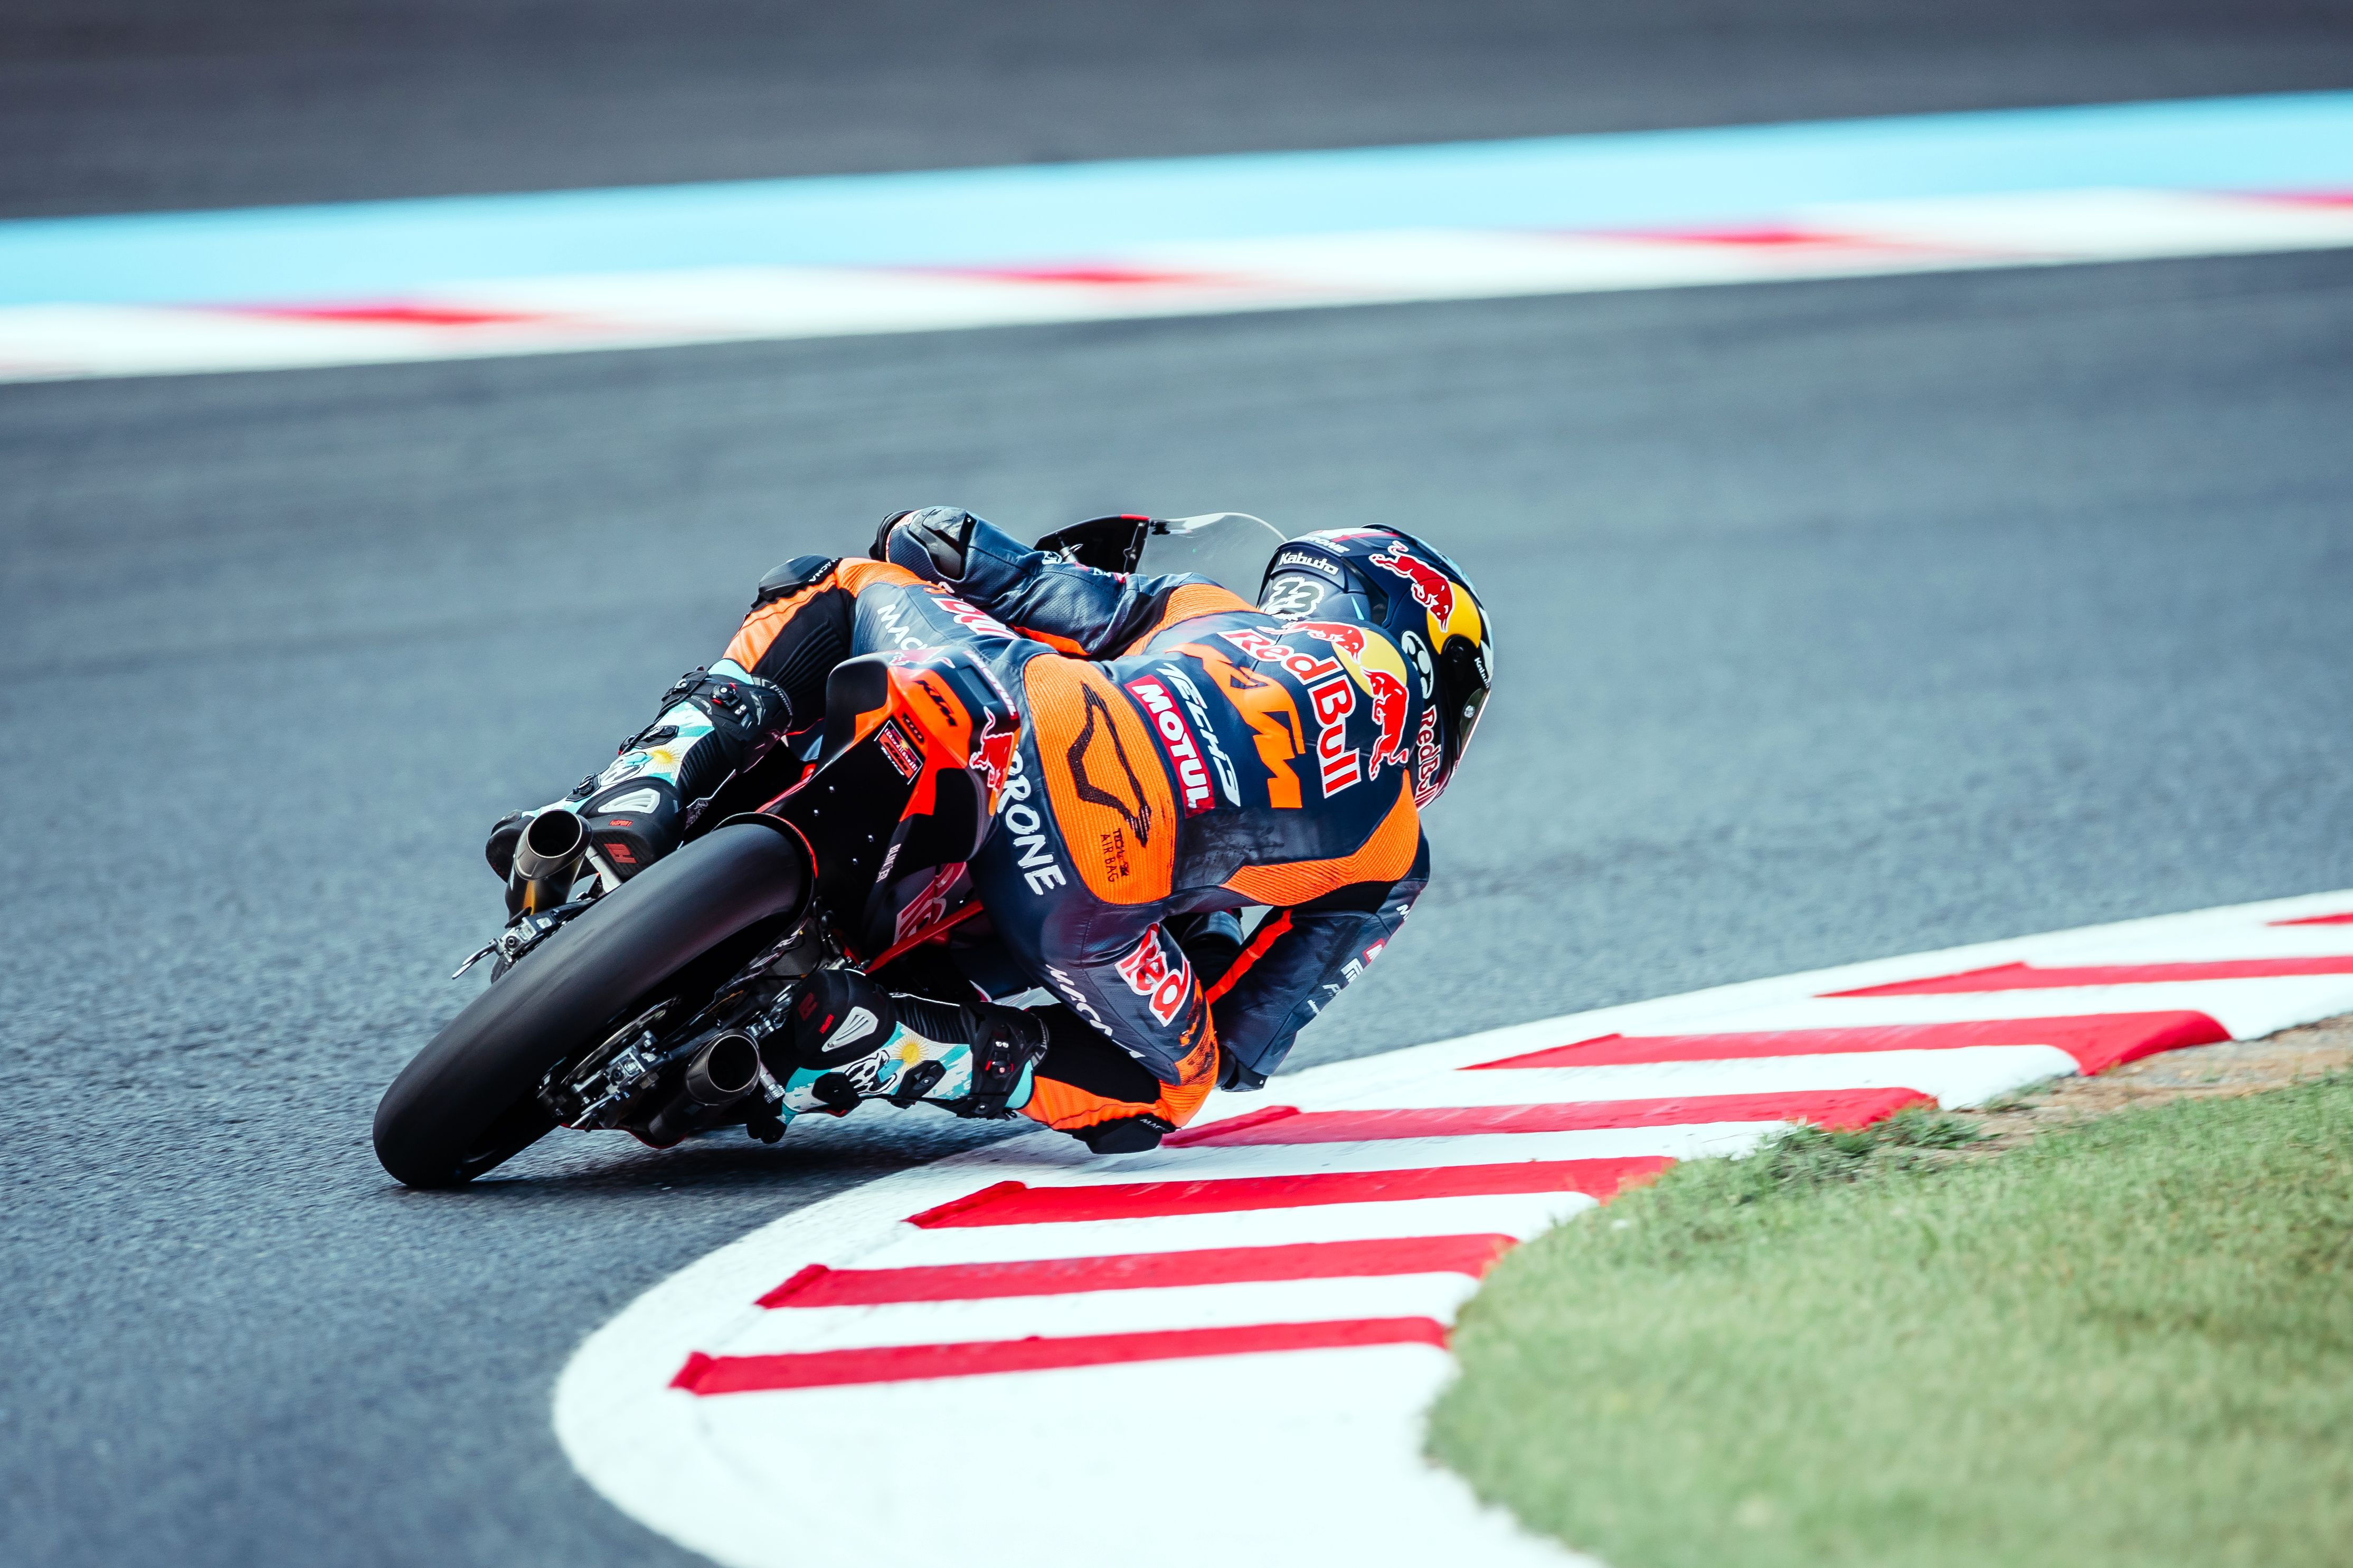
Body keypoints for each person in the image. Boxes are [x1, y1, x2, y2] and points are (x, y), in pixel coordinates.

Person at [487, 508, 1494, 1153]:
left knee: (837, 583)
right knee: (1169, 1087)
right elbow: (1239, 1040)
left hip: (1022, 709)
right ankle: (874, 1038)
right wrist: (1205, 918)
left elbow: (970, 560)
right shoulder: (1393, 858)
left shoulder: (1207, 609)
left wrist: (935, 536)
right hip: (1093, 896)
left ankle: (635, 798)